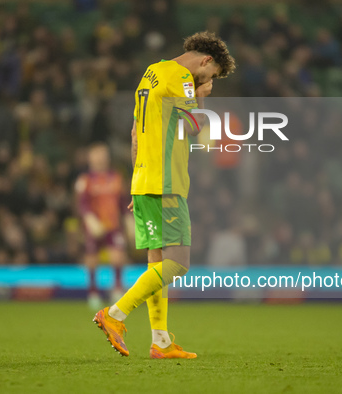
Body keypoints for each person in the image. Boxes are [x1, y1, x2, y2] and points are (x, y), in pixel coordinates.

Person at [93, 31, 236, 359]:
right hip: (166, 181)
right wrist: (202, 94)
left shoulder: (151, 72)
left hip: (144, 178)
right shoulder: (184, 78)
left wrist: (135, 181)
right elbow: (194, 127)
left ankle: (160, 341)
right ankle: (114, 314)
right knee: (178, 263)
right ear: (206, 60)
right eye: (211, 76)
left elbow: (134, 133)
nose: (208, 80)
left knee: (157, 262)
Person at [75, 143, 130, 309]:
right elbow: (81, 204)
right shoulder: (85, 180)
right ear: (90, 158)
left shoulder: (116, 178)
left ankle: (117, 289)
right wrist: (90, 220)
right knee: (92, 259)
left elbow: (123, 202)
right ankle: (93, 292)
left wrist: (129, 219)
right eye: (96, 155)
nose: (100, 158)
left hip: (112, 225)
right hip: (94, 226)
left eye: (103, 154)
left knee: (118, 257)